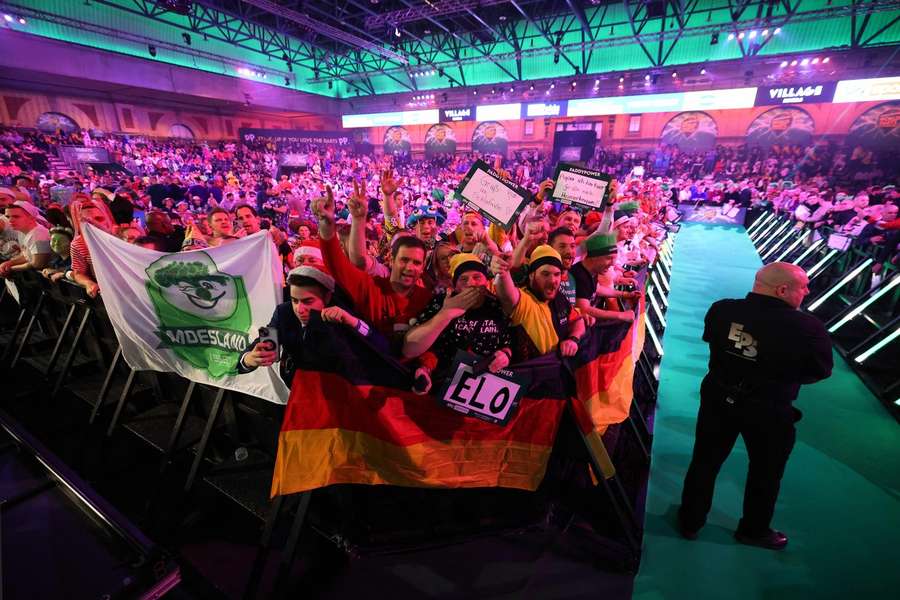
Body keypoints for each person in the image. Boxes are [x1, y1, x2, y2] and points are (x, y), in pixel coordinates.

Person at [679, 262, 833, 550]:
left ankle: (690, 520)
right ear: (783, 289)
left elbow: (711, 340)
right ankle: (753, 529)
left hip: (718, 398)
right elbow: (820, 371)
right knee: (766, 472)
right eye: (804, 286)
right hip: (770, 407)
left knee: (705, 460)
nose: (808, 291)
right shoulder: (807, 328)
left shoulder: (722, 309)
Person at [238, 266, 382, 382]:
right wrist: (250, 359)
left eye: (308, 301)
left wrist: (353, 322)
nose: (299, 309)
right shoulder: (284, 312)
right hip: (298, 389)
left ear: (327, 297)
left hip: (340, 392)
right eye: (295, 300)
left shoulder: (341, 313)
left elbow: (378, 343)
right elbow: (263, 342)